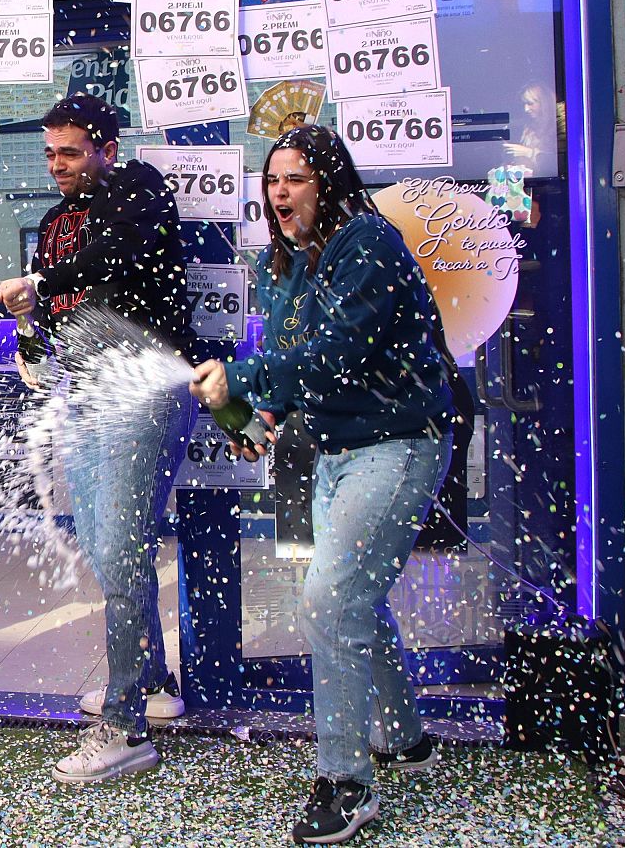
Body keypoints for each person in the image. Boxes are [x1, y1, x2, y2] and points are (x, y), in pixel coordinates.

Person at [188, 124, 454, 844]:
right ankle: (404, 739)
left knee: (331, 595)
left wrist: (242, 379)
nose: (279, 191)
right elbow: (290, 358)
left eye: (296, 178)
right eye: (272, 179)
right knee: (354, 591)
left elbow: (332, 354)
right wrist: (255, 407)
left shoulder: (365, 244)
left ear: (329, 182)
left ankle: (345, 780)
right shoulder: (291, 261)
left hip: (398, 444)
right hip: (339, 447)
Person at [0, 93, 197, 784]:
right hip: (84, 392)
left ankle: (125, 726)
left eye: (70, 152)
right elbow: (50, 312)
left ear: (106, 149)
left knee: (121, 547)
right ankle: (155, 684)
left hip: (142, 386)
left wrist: (39, 280)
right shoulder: (53, 224)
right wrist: (28, 327)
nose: (57, 165)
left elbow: (112, 259)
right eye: (50, 153)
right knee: (112, 547)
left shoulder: (137, 186)